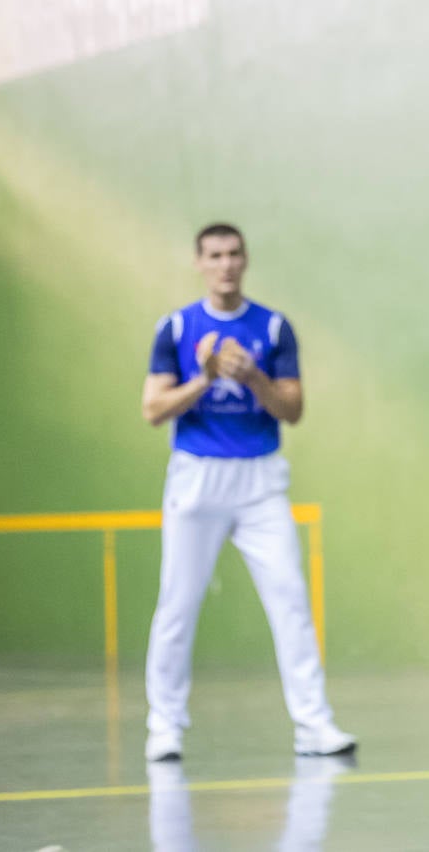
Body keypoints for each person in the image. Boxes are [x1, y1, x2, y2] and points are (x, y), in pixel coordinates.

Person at [140, 223, 355, 762]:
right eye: (214, 255)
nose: (226, 264)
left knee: (290, 602)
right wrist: (206, 377)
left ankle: (314, 726)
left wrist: (254, 376)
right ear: (199, 263)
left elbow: (293, 410)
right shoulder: (175, 328)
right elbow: (152, 410)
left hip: (260, 483)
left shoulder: (274, 328)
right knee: (177, 605)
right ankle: (164, 727)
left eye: (234, 254)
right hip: (196, 479)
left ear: (245, 259)